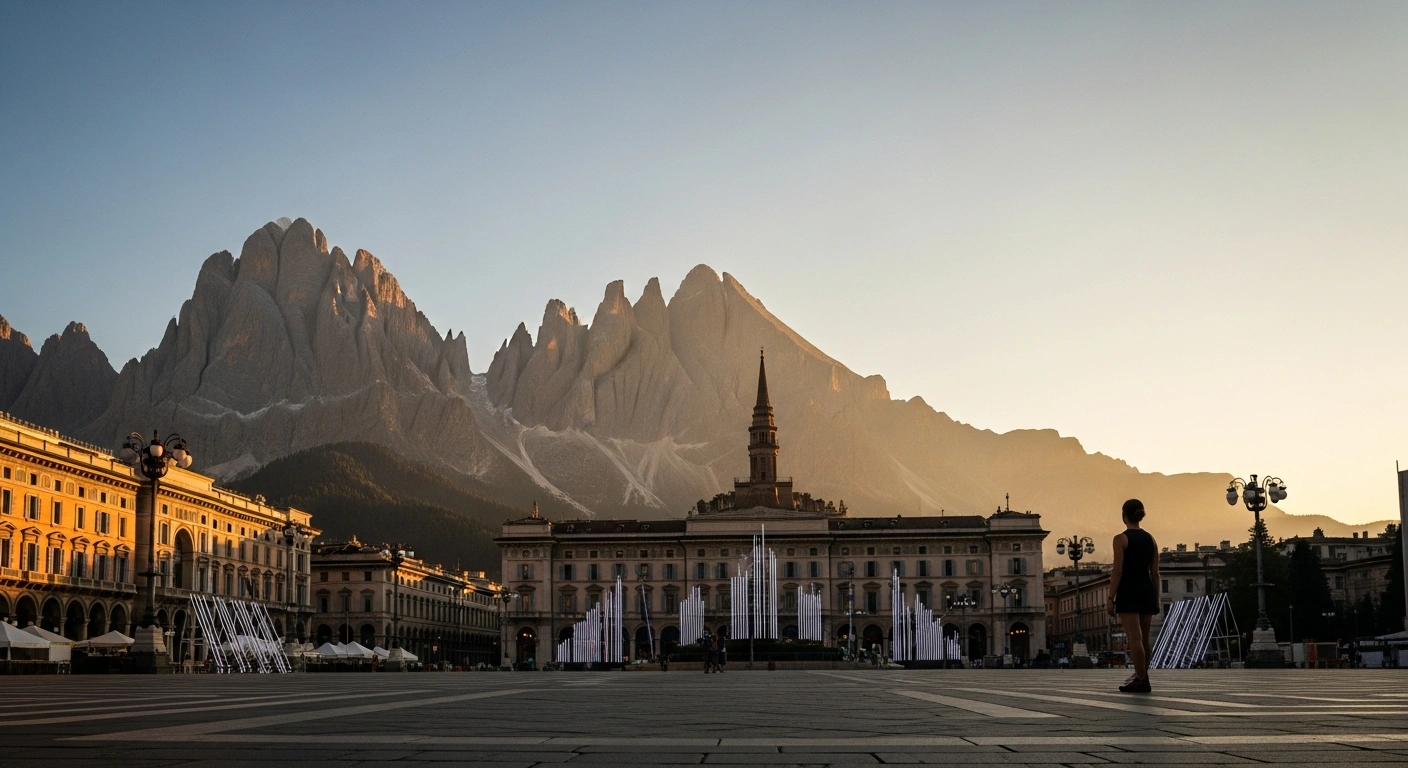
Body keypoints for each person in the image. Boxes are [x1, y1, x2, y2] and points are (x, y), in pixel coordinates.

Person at [1108, 498, 1159, 693]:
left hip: (1129, 590)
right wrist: (1156, 597)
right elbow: (1155, 573)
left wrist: (1110, 598)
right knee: (1145, 639)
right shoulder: (1151, 539)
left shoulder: (1120, 539)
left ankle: (1140, 678)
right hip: (1147, 589)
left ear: (1124, 515)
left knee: (1134, 638)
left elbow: (1117, 572)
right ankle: (1143, 676)